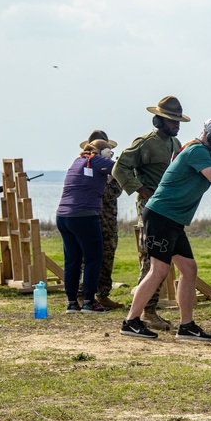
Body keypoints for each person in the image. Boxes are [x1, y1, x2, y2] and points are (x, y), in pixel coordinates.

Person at [120, 117, 211, 341]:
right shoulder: (197, 152)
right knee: (158, 271)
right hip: (161, 217)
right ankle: (131, 322)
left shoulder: (208, 151)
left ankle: (186, 326)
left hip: (172, 219)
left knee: (189, 270)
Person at [112, 97, 188, 331]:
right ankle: (146, 312)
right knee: (152, 257)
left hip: (171, 207)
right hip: (150, 206)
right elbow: (119, 167)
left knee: (168, 257)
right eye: (172, 120)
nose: (176, 124)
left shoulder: (176, 143)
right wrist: (141, 189)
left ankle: (148, 310)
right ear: (159, 120)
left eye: (178, 120)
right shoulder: (145, 143)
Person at [57, 138, 117, 313]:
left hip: (63, 216)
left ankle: (72, 303)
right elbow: (120, 169)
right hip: (84, 216)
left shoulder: (78, 161)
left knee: (72, 260)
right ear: (103, 152)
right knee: (93, 258)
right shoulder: (97, 160)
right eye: (110, 152)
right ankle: (90, 302)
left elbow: (101, 180)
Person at [78, 129, 123, 310]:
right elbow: (101, 192)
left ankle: (103, 294)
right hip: (90, 216)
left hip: (108, 218)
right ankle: (82, 294)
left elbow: (115, 192)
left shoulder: (110, 168)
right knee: (86, 256)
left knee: (108, 254)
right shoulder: (84, 165)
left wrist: (115, 175)